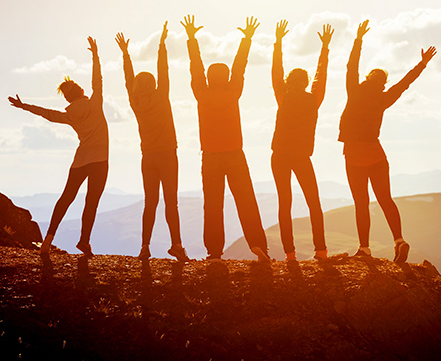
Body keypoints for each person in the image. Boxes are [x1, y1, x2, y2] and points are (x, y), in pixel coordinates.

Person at [338, 20, 437, 263]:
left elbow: (352, 67)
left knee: (361, 203)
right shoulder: (384, 97)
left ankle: (364, 249)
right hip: (377, 154)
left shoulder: (354, 90)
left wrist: (358, 40)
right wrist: (422, 64)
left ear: (369, 77)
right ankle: (399, 241)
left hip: (354, 155)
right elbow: (405, 83)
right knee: (385, 199)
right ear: (382, 82)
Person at [8, 37, 109, 257]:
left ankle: (47, 239)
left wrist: (23, 105)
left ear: (68, 97)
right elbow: (97, 79)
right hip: (100, 160)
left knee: (66, 198)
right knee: (91, 202)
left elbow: (45, 113)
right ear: (80, 90)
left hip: (80, 161)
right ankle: (84, 242)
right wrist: (95, 56)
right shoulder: (95, 102)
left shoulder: (69, 115)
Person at [182, 14, 271, 262]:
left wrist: (191, 39)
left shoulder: (201, 93)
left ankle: (214, 252)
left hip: (210, 157)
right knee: (246, 200)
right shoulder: (233, 92)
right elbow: (240, 67)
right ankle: (257, 245)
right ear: (226, 77)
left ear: (210, 77)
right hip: (235, 154)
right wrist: (247, 39)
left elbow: (195, 66)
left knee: (212, 204)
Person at [115, 23, 188, 262]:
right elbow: (164, 70)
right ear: (154, 83)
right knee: (171, 203)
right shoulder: (160, 96)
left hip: (148, 157)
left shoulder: (135, 101)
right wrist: (161, 46)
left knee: (150, 203)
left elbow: (128, 80)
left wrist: (126, 54)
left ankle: (144, 247)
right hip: (167, 154)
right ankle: (176, 245)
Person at [271, 20, 333, 262]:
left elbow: (276, 72)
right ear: (306, 82)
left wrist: (278, 43)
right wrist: (324, 49)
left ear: (289, 80)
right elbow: (322, 75)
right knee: (313, 203)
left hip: (279, 155)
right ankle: (321, 251)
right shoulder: (314, 98)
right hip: (301, 156)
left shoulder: (283, 96)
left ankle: (290, 255)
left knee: (284, 203)